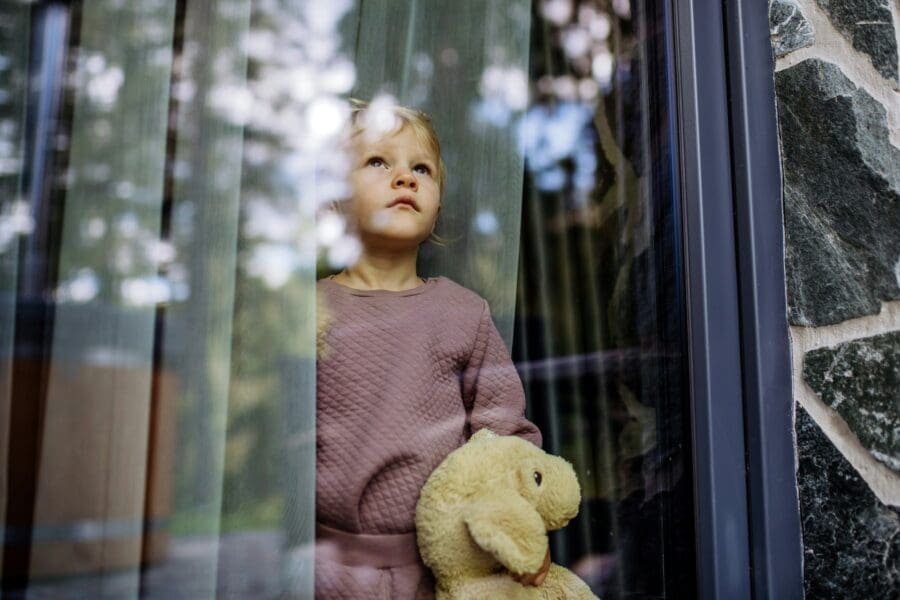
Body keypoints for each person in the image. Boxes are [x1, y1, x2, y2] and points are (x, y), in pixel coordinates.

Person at [315, 99, 549, 599]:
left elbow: (504, 433)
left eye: (421, 168)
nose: (405, 177)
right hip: (326, 569)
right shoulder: (309, 311)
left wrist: (517, 523)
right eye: (378, 162)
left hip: (440, 570)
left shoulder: (463, 312)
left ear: (438, 203)